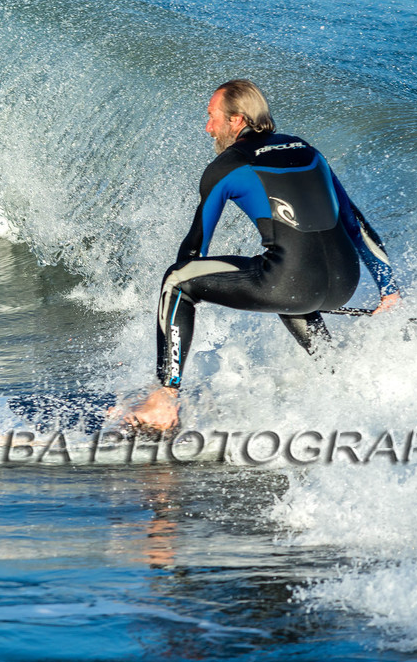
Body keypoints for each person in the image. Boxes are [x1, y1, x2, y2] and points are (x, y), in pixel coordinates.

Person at [124, 79, 400, 432]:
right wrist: (388, 291)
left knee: (177, 280)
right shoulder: (309, 150)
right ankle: (342, 383)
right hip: (345, 282)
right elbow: (355, 225)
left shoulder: (228, 165)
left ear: (236, 120)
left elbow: (193, 253)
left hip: (291, 282)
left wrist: (178, 308)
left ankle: (165, 397)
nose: (208, 127)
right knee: (293, 283)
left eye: (212, 117)